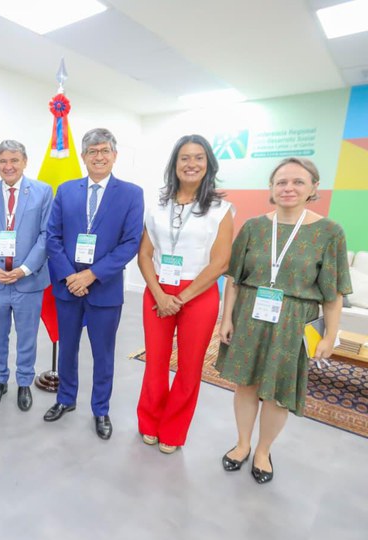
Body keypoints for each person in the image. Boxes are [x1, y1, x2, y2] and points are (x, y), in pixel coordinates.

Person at [216, 157, 351, 484]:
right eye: (281, 182)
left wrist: (330, 336)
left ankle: (263, 451)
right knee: (245, 385)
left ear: (313, 188)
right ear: (272, 189)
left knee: (278, 391)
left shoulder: (330, 232)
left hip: (294, 324)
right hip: (249, 316)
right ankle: (243, 443)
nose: (288, 188)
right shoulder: (254, 227)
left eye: (298, 182)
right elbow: (234, 278)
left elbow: (333, 294)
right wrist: (226, 319)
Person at [44, 128, 144, 440]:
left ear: (114, 156)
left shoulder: (131, 194)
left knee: (103, 353)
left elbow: (130, 243)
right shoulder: (66, 190)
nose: (98, 156)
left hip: (105, 289)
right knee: (67, 348)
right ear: (84, 157)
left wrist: (92, 274)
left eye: (104, 151)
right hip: (67, 286)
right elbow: (53, 236)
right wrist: (70, 276)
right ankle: (65, 399)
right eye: (92, 151)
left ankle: (100, 409)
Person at [136, 135, 233, 454]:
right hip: (158, 291)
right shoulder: (158, 205)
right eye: (185, 158)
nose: (191, 164)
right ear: (174, 165)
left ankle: (173, 430)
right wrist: (160, 294)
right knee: (155, 363)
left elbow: (220, 263)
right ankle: (149, 422)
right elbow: (145, 255)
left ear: (208, 164)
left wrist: (181, 297)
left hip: (199, 294)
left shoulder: (221, 209)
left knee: (190, 367)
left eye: (199, 158)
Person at [0, 140, 53, 411]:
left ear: (25, 162)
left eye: (14, 160)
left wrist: (24, 269)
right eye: (3, 161)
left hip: (29, 280)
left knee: (27, 335)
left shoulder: (43, 192)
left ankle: (23, 383)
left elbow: (46, 235)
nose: (8, 166)